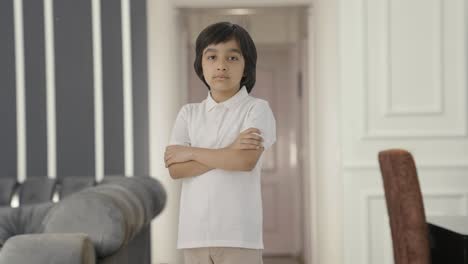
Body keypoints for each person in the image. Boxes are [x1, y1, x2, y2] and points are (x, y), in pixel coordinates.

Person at [164, 21, 276, 264]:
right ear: (200, 65)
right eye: (212, 57)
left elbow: (244, 161)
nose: (221, 66)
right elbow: (175, 168)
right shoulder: (188, 113)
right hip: (194, 235)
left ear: (246, 66)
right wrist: (229, 151)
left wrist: (190, 152)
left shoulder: (257, 109)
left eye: (232, 58)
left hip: (240, 236)